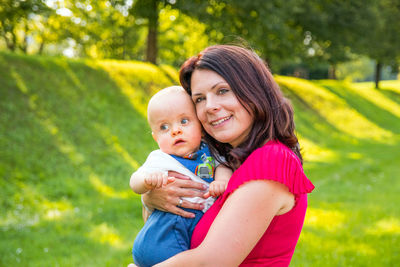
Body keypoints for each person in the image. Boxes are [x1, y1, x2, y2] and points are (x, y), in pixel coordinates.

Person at [139, 45, 315, 266]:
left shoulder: (272, 160)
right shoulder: (224, 163)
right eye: (199, 99)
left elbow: (210, 262)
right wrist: (151, 198)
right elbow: (159, 232)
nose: (210, 106)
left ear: (253, 90)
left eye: (222, 91)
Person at [129, 86, 232, 267]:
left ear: (200, 126)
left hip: (191, 235)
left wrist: (222, 180)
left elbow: (223, 165)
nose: (175, 131)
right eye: (164, 127)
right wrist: (146, 181)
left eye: (184, 121)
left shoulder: (211, 153)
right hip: (162, 236)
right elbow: (134, 181)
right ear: (156, 138)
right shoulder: (160, 158)